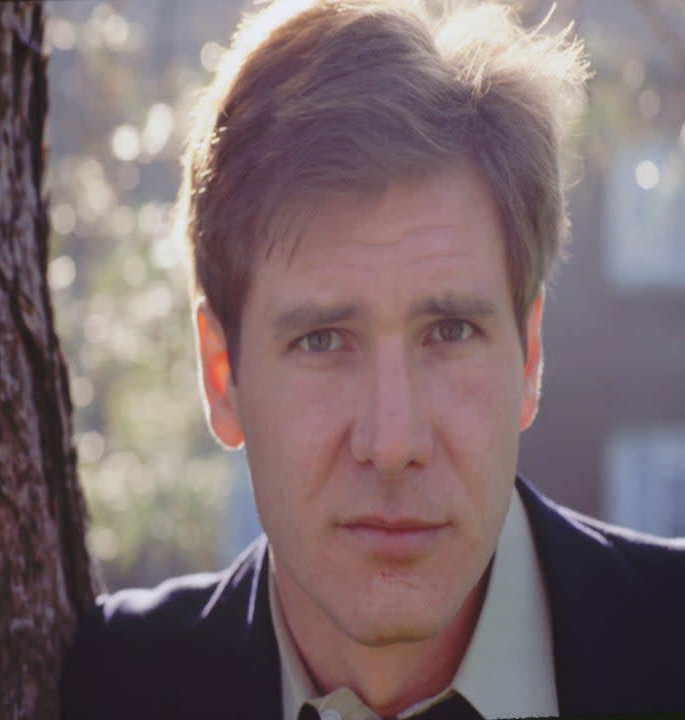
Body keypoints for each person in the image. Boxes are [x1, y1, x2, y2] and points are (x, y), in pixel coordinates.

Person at [61, 1, 685, 718]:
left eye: (449, 332)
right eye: (322, 341)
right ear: (220, 375)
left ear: (529, 356)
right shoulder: (113, 689)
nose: (392, 445)